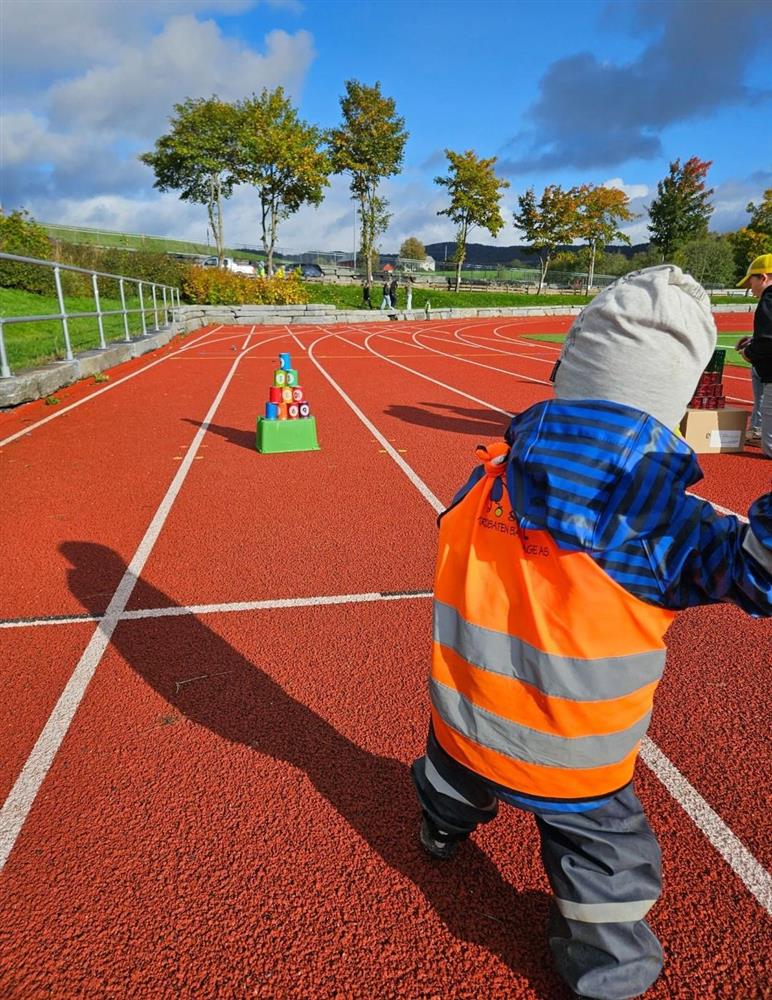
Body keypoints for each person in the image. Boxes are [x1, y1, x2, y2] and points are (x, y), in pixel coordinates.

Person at [411, 265, 772, 1000]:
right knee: (607, 859)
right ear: (667, 404)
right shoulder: (660, 526)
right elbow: (759, 577)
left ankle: (440, 828)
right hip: (574, 759)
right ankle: (608, 971)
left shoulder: (488, 476)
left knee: (450, 775)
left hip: (465, 715)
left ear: (564, 374)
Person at [736, 253, 772, 456]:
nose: (751, 288)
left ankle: (758, 430)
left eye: (752, 282)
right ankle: (758, 428)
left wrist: (748, 352)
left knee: (770, 447)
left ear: (763, 278)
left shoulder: (769, 299)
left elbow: (768, 342)